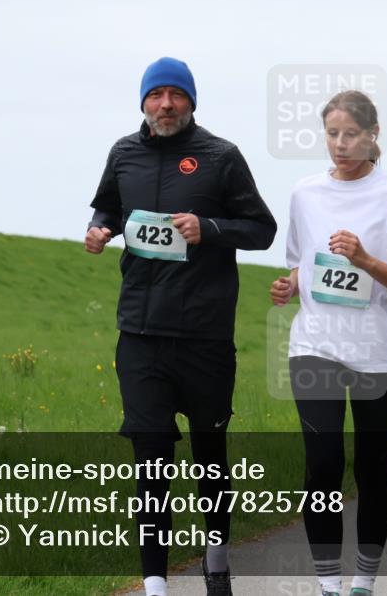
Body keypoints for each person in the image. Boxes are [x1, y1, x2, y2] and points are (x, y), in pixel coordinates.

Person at [86, 57, 277, 596]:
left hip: (204, 336)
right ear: (143, 102)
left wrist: (208, 227)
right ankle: (155, 586)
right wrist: (99, 230)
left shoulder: (221, 156)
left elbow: (261, 229)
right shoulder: (123, 153)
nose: (165, 104)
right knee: (150, 459)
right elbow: (107, 208)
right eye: (156, 95)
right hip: (140, 334)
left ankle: (217, 565)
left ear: (191, 101)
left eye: (176, 95)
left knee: (209, 455)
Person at [270, 90, 387, 596]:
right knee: (322, 465)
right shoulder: (304, 193)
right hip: (315, 346)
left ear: (373, 135)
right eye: (332, 134)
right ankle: (327, 585)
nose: (340, 144)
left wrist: (364, 259)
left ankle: (363, 581)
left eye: (352, 134)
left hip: (379, 353)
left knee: (371, 468)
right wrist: (289, 285)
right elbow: (303, 264)